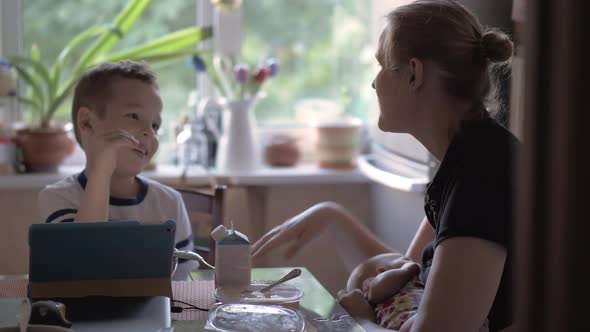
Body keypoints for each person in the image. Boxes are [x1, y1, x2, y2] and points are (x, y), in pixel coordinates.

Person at [251, 0, 518, 331]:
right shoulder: (468, 158)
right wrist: (330, 215)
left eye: (381, 64)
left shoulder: (481, 178)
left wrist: (360, 320)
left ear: (413, 74)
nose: (374, 83)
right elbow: (406, 274)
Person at [38, 60, 198, 280]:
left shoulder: (170, 201)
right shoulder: (57, 198)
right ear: (87, 123)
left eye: (155, 125)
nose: (149, 134)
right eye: (134, 116)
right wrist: (101, 172)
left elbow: (180, 284)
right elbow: (81, 269)